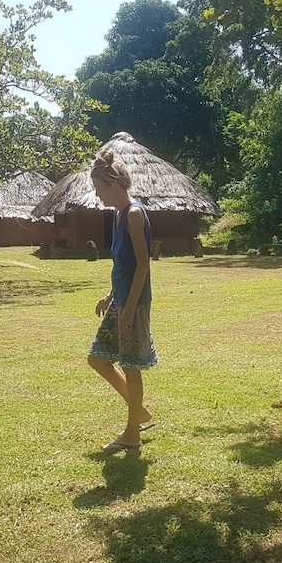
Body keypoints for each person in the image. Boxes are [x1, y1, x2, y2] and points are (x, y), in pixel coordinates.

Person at [86, 149, 157, 453]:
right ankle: (137, 409)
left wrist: (128, 310)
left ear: (114, 185)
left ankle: (132, 433)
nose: (98, 195)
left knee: (130, 365)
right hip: (121, 301)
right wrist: (111, 295)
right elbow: (122, 265)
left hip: (135, 305)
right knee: (97, 358)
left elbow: (143, 265)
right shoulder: (117, 215)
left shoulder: (134, 215)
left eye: (100, 189)